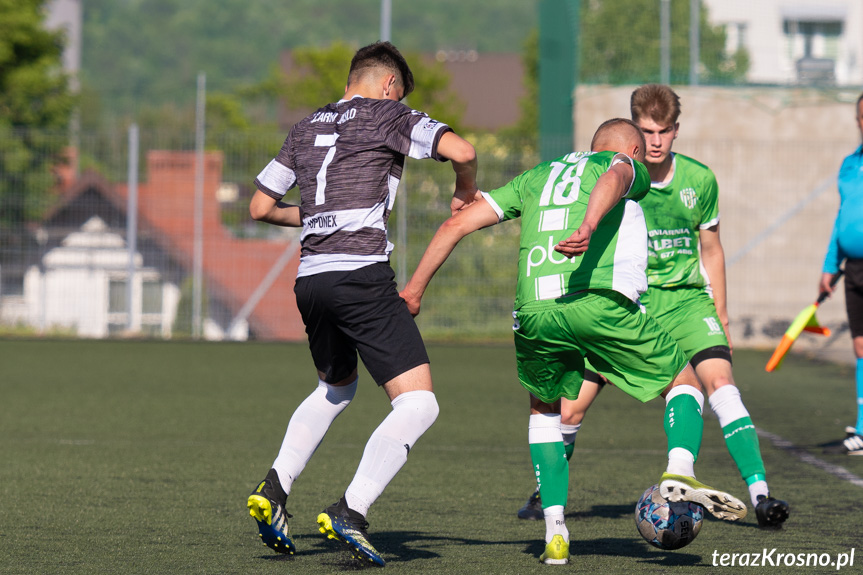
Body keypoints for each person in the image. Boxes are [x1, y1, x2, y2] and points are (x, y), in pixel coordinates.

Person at [401, 119, 746, 566]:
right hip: (596, 303)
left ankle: (555, 531)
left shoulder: (535, 177)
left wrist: (413, 291)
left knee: (546, 410)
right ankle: (680, 470)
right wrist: (588, 223)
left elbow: (458, 224)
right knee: (684, 383)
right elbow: (616, 175)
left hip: (532, 314)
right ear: (634, 150)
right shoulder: (625, 163)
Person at [245, 41, 479, 567]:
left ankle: (275, 488)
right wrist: (466, 188)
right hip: (360, 276)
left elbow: (260, 206)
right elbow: (461, 151)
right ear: (390, 86)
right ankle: (351, 509)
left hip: (311, 280)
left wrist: (315, 219)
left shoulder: (305, 126)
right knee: (419, 403)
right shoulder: (388, 113)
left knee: (336, 387)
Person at [515, 84, 789, 529]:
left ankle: (760, 494)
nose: (657, 140)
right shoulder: (611, 174)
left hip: (685, 302)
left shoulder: (699, 180)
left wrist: (720, 311)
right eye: (648, 131)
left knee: (719, 381)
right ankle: (547, 491)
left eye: (664, 131)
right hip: (625, 304)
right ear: (634, 136)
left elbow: (713, 249)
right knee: (569, 409)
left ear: (676, 131)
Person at [821, 92, 863, 455]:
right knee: (861, 346)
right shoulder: (850, 165)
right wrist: (829, 266)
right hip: (853, 268)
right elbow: (843, 218)